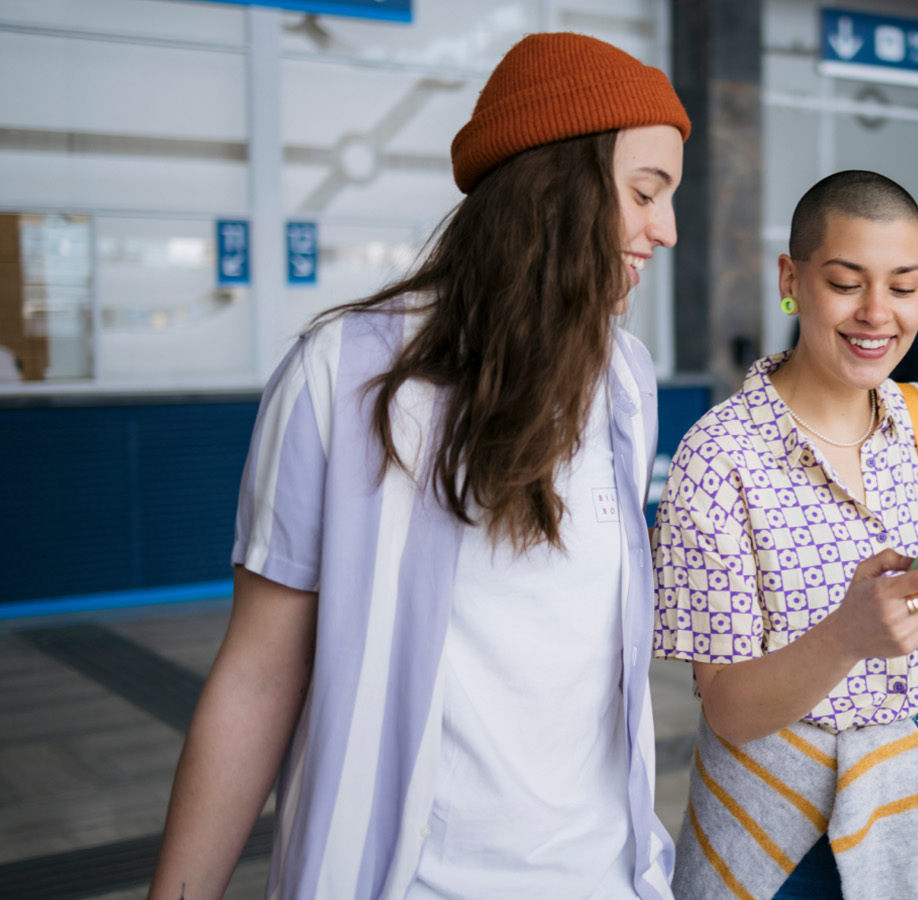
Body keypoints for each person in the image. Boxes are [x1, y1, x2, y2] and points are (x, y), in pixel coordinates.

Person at [148, 33, 689, 900]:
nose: (666, 229)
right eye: (645, 192)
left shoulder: (624, 379)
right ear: (555, 187)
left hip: (604, 878)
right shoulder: (344, 374)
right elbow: (257, 676)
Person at [652, 170, 918, 900]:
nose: (878, 314)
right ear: (791, 279)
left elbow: (917, 615)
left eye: (903, 286)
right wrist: (847, 636)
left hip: (908, 801)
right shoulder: (718, 457)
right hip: (775, 837)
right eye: (847, 283)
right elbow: (726, 707)